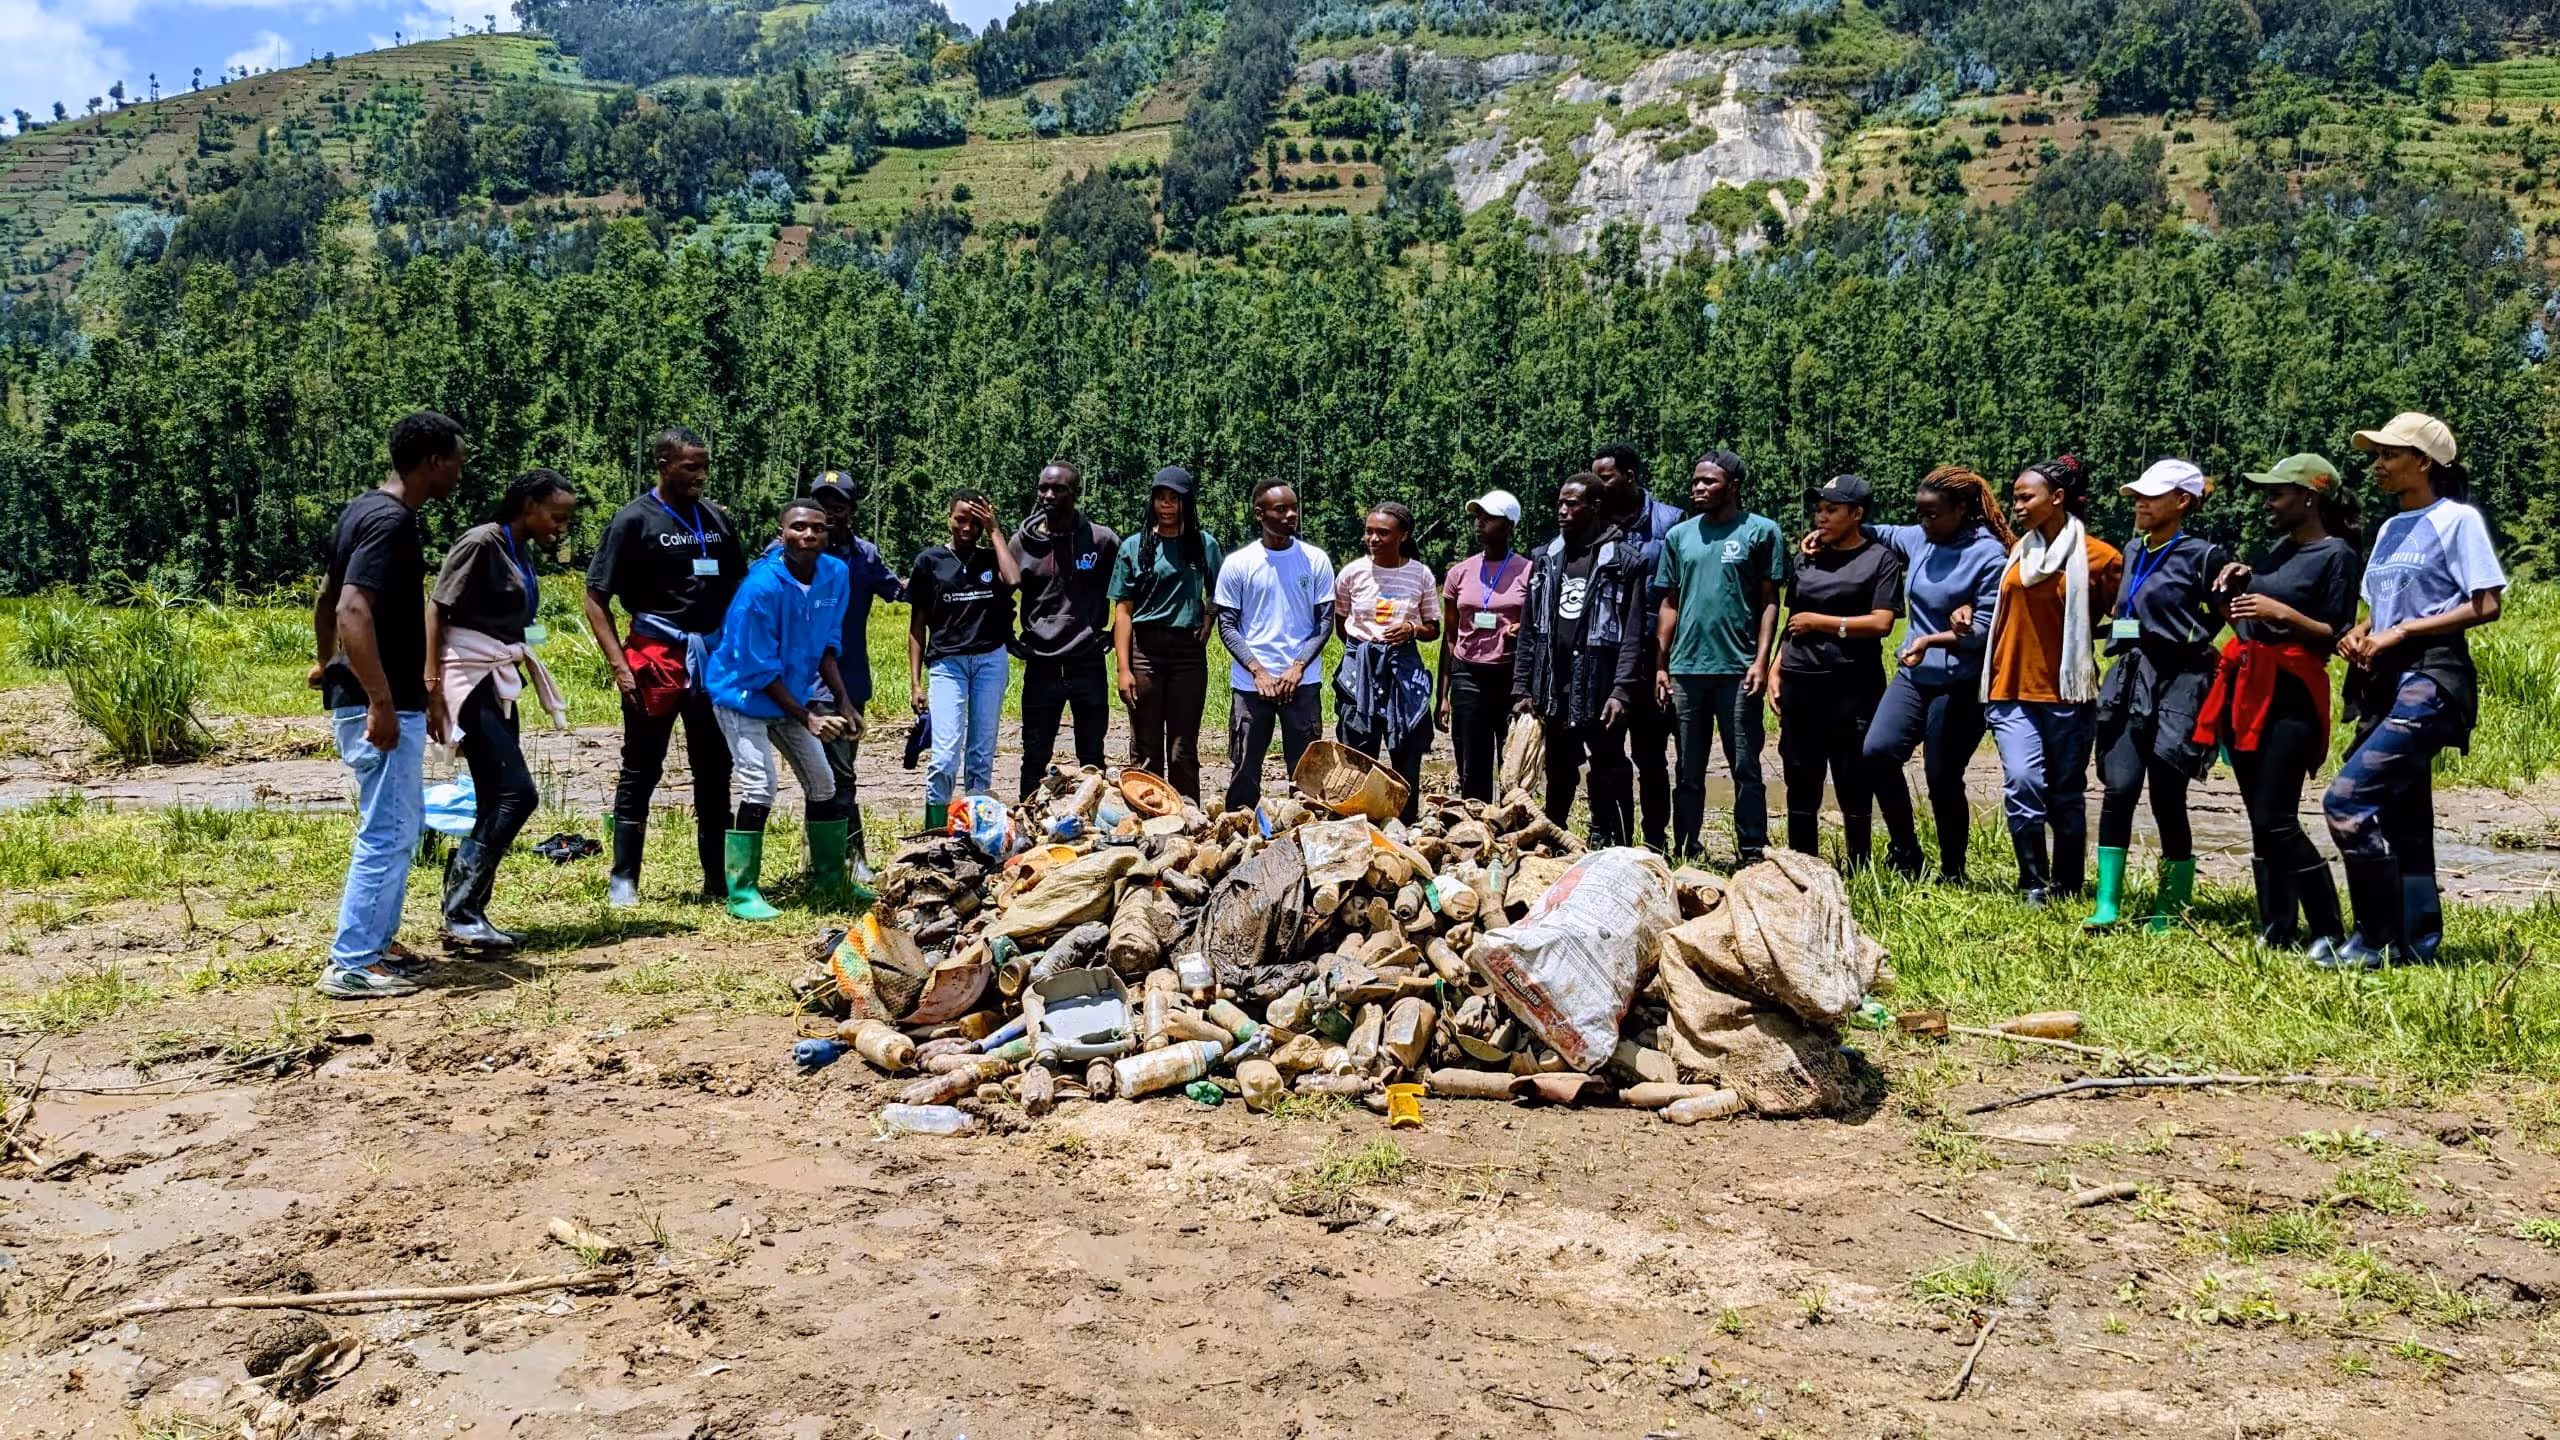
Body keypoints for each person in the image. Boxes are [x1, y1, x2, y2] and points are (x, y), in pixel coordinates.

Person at [2324, 413, 2507, 968]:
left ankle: (2372, 939)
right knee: (2404, 814)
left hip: (2430, 677)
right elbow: (2377, 611)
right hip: (2382, 682)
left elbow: (2488, 603)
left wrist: (2402, 631)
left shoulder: (2457, 520)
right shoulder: (2389, 528)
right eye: (2376, 455)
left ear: (2424, 462)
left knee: (2347, 801)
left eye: (2389, 455)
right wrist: (2356, 635)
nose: (2377, 465)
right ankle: (2417, 941)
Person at [311, 411, 464, 1000]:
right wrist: (377, 698)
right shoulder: (391, 522)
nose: (459, 471)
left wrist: (326, 661)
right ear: (431, 461)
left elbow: (327, 597)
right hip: (377, 701)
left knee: (398, 825)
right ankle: (352, 961)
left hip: (378, 693)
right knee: (389, 829)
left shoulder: (363, 510)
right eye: (456, 460)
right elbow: (352, 607)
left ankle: (379, 943)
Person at [2196, 454, 2361, 957]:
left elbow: (2336, 634)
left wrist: (2282, 611)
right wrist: (2234, 588)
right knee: (2258, 818)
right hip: (2248, 691)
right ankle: (2276, 925)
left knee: (2277, 819)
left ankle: (2329, 929)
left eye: (2277, 493)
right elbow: (2248, 624)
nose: (2267, 502)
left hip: (2292, 695)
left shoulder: (2338, 556)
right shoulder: (2276, 552)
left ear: (2309, 497)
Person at [583, 427, 749, 908]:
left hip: (711, 659)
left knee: (715, 768)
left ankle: (717, 880)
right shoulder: (633, 520)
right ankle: (623, 878)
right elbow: (596, 597)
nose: (699, 476)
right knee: (641, 766)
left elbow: (740, 587)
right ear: (663, 465)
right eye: (689, 467)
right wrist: (619, 665)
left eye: (704, 466)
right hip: (655, 658)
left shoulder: (716, 518)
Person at [425, 468, 575, 952]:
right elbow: (437, 609)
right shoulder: (482, 542)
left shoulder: (520, 548)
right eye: (555, 516)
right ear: (528, 505)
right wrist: (431, 684)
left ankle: (466, 914)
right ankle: (461, 911)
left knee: (495, 796)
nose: (561, 526)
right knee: (517, 794)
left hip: (498, 675)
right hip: (469, 677)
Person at [2085, 460, 2231, 933]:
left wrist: (2196, 641)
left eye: (2151, 496)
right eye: (2137, 496)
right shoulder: (2133, 549)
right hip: (2129, 678)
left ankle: (2171, 906)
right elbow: (2130, 612)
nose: (2140, 504)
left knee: (2169, 795)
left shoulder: (2204, 556)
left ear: (2182, 501)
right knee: (2119, 788)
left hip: (2179, 685)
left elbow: (2229, 612)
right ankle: (2108, 903)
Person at [1982, 455, 2123, 905]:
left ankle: (2067, 883)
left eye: (2027, 497)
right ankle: (2032, 882)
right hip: (2009, 687)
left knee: (2066, 790)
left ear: (2057, 498)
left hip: (2068, 694)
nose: (2017, 506)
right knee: (2023, 780)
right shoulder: (2017, 552)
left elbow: (2122, 619)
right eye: (2015, 497)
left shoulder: (2101, 558)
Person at [1861, 466, 2013, 883]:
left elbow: (1985, 630)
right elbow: (1880, 532)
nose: (1924, 522)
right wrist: (1834, 529)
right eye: (1920, 514)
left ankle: (1953, 871)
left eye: (1933, 514)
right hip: (1914, 675)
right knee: (1877, 752)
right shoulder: (1920, 538)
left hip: (1960, 682)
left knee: (1942, 776)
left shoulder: (1989, 555)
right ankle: (1906, 851)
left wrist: (1942, 636)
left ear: (1961, 510)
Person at [706, 499, 854, 920]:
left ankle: (827, 877)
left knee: (823, 782)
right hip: (745, 696)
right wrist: (807, 716)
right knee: (759, 786)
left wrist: (843, 701)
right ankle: (742, 891)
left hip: (790, 695)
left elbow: (828, 647)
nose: (809, 536)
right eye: (800, 528)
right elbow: (757, 667)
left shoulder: (835, 575)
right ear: (781, 534)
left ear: (830, 534)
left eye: (819, 529)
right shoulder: (760, 588)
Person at [1653, 449, 1783, 865]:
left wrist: (1761, 660)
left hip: (1738, 669)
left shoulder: (1762, 532)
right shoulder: (1680, 536)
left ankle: (1752, 850)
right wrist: (1661, 664)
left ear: (1733, 486)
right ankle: (1686, 849)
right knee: (1688, 771)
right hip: (1687, 670)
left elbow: (1769, 600)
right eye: (1695, 481)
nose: (1698, 488)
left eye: (1708, 481)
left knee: (1745, 765)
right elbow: (1670, 602)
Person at [1773, 476, 1903, 869]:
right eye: (1819, 509)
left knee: (1853, 776)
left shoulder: (1880, 560)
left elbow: (1881, 623)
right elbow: (1792, 618)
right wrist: (1777, 667)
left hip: (1852, 684)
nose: (1821, 517)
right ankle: (1803, 865)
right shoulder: (1807, 557)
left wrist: (1822, 623)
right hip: (1800, 680)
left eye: (1831, 509)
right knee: (1800, 773)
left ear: (1857, 514)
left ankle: (1859, 865)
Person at [1514, 474, 1646, 845]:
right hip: (1554, 684)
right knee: (1558, 768)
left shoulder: (1623, 562)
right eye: (1560, 503)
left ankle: (1614, 842)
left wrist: (1621, 691)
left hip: (1600, 684)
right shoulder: (1545, 558)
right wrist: (1522, 686)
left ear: (1596, 508)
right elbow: (1529, 628)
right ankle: (1554, 837)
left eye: (1572, 504)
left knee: (1608, 767)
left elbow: (1632, 634)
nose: (1562, 511)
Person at [1215, 480, 1335, 813]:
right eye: (1281, 509)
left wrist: (1297, 667)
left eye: (1294, 508)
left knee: (1308, 770)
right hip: (1253, 685)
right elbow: (1227, 625)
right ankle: (1238, 831)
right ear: (1259, 513)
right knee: (1244, 767)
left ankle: (1307, 827)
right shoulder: (1239, 563)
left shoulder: (1315, 560)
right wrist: (1258, 671)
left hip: (1302, 682)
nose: (1291, 515)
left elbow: (1325, 622)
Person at [805, 471, 906, 865]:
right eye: (822, 504)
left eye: (838, 506)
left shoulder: (864, 555)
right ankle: (836, 859)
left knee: (839, 772)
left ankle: (839, 858)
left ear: (851, 510)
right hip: (801, 683)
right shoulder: (790, 549)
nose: (829, 514)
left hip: (849, 680)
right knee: (824, 774)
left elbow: (896, 590)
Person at [908, 491, 1021, 831]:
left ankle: (974, 829)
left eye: (976, 521)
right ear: (949, 518)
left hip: (989, 661)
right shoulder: (930, 562)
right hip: (948, 665)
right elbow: (917, 625)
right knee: (944, 756)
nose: (967, 526)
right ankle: (935, 829)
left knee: (981, 753)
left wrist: (995, 531)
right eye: (961, 519)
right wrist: (915, 682)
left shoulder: (991, 559)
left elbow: (1014, 580)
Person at [1112, 466, 1223, 800]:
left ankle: (1188, 817)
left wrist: (1209, 614)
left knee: (1182, 746)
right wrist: (1123, 668)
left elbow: (1221, 591)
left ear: (1186, 503)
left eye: (1174, 498)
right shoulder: (1134, 546)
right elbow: (1123, 610)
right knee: (1145, 745)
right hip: (1144, 650)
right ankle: (1147, 815)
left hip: (1187, 653)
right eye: (1160, 498)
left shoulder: (1204, 544)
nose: (1166, 505)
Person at [1593, 444, 1683, 850]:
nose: (1599, 483)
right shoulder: (1593, 521)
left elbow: (1678, 594)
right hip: (1606, 656)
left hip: (1653, 654)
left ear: (1629, 476)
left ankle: (1654, 839)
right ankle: (1614, 837)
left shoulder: (1671, 522)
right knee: (1607, 755)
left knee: (1651, 756)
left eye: (1606, 476)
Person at [1013, 462, 1120, 797]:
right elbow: (1000, 592)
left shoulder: (1101, 541)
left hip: (1087, 662)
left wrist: (1115, 631)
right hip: (1041, 664)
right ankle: (1027, 823)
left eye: (1058, 489)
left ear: (1075, 493)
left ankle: (1094, 825)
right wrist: (1006, 636)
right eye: (1043, 488)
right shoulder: (1022, 543)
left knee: (1091, 755)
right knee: (1034, 755)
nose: (1048, 495)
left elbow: (1130, 590)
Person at [1334, 502, 1439, 824]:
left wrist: (1412, 629)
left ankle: (1404, 823)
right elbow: (1341, 623)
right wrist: (1364, 651)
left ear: (1403, 535)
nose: (1373, 539)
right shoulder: (1352, 573)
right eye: (1369, 532)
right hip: (1361, 663)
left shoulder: (1420, 574)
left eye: (1383, 533)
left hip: (1403, 667)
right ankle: (1356, 821)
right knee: (1357, 747)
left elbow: (1433, 628)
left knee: (1406, 749)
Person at [1437, 490, 1529, 803]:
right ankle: (1474, 828)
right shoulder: (1459, 573)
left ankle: (1512, 824)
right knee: (1472, 762)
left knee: (1513, 757)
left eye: (1488, 518)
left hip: (1511, 676)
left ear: (1508, 526)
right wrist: (1443, 696)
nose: (1479, 523)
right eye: (1478, 516)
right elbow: (1450, 637)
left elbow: (1541, 627)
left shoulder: (1529, 571)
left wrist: (1524, 629)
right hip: (1468, 675)